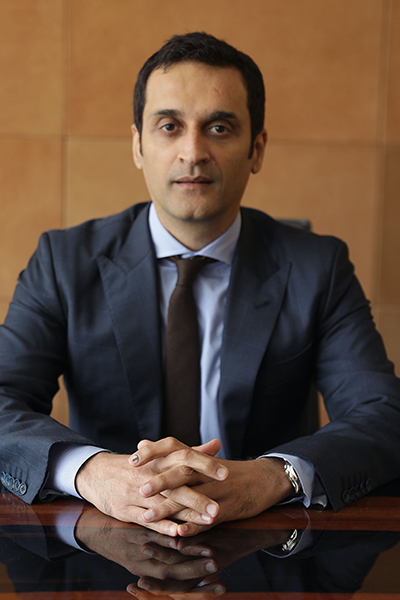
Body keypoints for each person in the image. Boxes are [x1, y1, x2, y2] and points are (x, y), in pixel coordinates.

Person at [1, 32, 400, 539]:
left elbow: (383, 414)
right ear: (138, 145)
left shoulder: (318, 267)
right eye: (169, 126)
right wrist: (90, 471)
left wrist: (274, 475)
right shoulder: (63, 261)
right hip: (105, 542)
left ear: (256, 149)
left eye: (219, 127)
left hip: (265, 544)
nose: (193, 152)